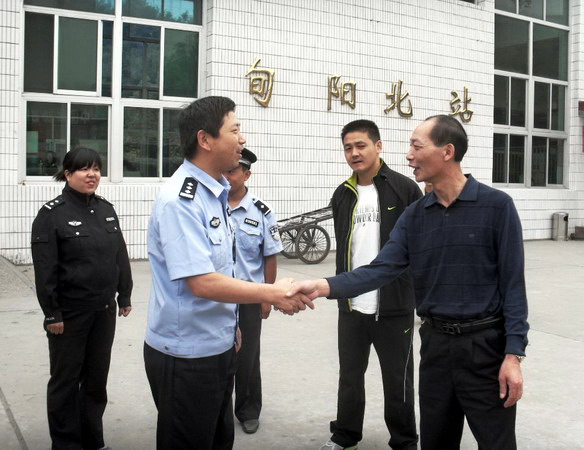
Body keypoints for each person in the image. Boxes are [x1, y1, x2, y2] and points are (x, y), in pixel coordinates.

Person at [290, 115, 529, 450]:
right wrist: (322, 286)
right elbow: (381, 268)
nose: (409, 155)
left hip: (484, 349)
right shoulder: (416, 216)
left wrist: (513, 355)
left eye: (417, 147)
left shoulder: (497, 206)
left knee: (496, 442)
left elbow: (513, 286)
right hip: (435, 347)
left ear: (447, 152)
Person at [144, 96, 314, 450]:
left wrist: (231, 323)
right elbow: (202, 282)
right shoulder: (182, 200)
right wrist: (272, 293)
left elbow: (224, 267)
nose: (242, 139)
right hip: (186, 355)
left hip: (219, 345)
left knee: (219, 439)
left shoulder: (216, 194)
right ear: (205, 140)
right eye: (235, 130)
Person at [320, 120, 422, 450]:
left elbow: (418, 248)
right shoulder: (343, 194)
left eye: (361, 145)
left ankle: (404, 441)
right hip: (352, 306)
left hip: (394, 306)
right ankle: (345, 435)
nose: (354, 153)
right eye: (348, 147)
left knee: (398, 380)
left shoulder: (405, 189)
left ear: (379, 146)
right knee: (350, 376)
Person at [31, 147, 133, 450]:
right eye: (84, 169)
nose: (92, 175)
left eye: (97, 169)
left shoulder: (105, 209)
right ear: (67, 174)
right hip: (70, 315)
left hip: (103, 311)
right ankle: (66, 444)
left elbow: (120, 254)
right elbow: (45, 270)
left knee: (96, 380)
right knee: (65, 382)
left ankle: (93, 440)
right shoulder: (51, 215)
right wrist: (52, 313)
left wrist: (125, 293)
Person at [224, 148, 283, 435]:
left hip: (249, 297)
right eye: (224, 170)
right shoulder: (211, 206)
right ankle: (219, 409)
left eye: (233, 171)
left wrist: (266, 297)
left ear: (247, 174)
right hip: (218, 296)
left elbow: (269, 257)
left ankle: (248, 410)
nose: (227, 176)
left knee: (247, 357)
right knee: (218, 355)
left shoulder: (261, 212)